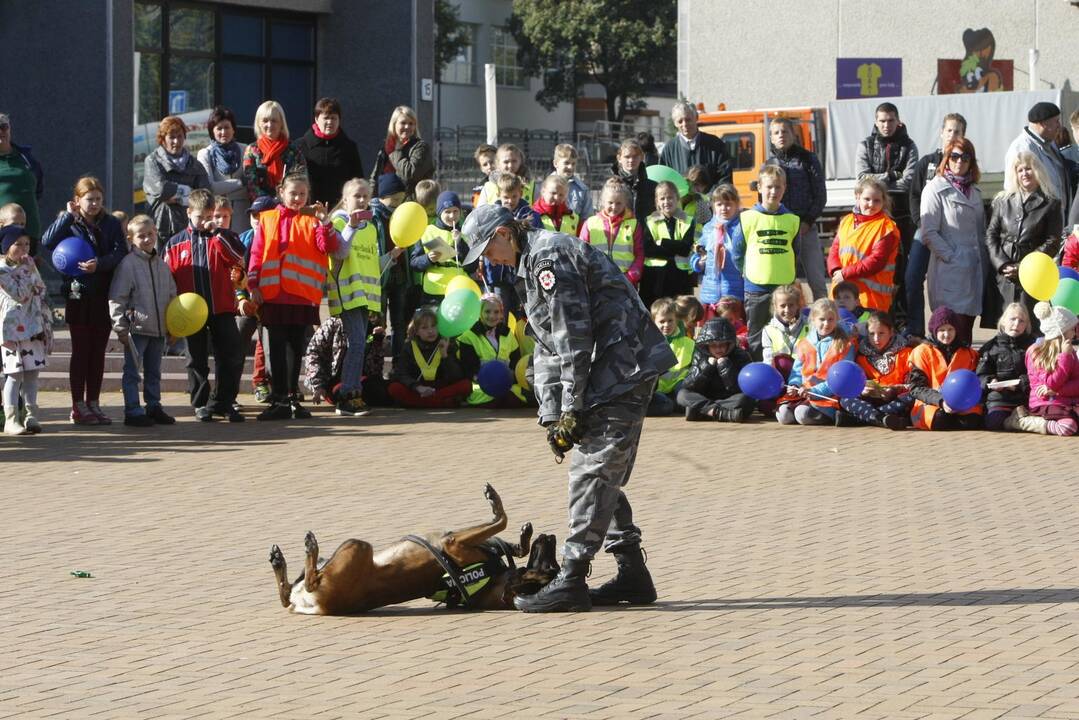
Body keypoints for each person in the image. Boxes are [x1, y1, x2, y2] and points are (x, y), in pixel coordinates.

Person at [459, 203, 675, 613]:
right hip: (608, 371)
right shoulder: (528, 264)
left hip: (623, 366)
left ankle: (573, 576)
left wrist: (572, 410)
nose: (488, 260)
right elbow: (545, 346)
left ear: (505, 233)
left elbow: (573, 339)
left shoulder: (549, 256)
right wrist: (552, 416)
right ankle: (631, 571)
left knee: (593, 469)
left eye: (488, 249)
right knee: (601, 468)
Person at [247, 173, 337, 420]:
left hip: (301, 295)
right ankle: (279, 399)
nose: (297, 198)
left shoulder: (313, 221)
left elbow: (326, 246)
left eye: (302, 194)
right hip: (274, 295)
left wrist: (325, 222)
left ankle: (292, 397)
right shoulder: (267, 219)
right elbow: (256, 254)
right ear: (281, 192)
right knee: (275, 349)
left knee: (296, 348)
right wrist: (253, 283)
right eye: (293, 193)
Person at [42, 176, 128, 425]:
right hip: (77, 293)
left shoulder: (111, 223)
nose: (94, 204)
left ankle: (94, 403)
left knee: (98, 352)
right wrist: (66, 216)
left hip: (103, 291)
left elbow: (119, 252)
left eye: (98, 199)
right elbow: (47, 241)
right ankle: (77, 405)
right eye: (89, 200)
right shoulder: (70, 222)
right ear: (77, 201)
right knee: (81, 351)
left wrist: (99, 264)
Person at [165, 190, 247, 422]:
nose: (206, 221)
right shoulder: (174, 244)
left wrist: (218, 234)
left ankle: (224, 401)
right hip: (189, 314)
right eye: (200, 217)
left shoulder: (223, 237)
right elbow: (168, 280)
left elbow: (238, 258)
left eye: (210, 216)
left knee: (230, 355)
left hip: (221, 308)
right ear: (189, 213)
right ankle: (200, 403)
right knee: (195, 359)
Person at [327, 178, 389, 417]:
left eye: (366, 196)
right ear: (345, 199)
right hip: (348, 293)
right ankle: (347, 395)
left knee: (359, 344)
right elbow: (339, 251)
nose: (362, 201)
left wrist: (392, 256)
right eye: (357, 196)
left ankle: (353, 392)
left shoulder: (371, 227)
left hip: (365, 296)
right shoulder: (339, 221)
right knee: (356, 344)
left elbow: (371, 264)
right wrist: (350, 226)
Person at [108, 215, 177, 427]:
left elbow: (172, 295)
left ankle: (154, 406)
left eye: (150, 234)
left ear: (156, 233)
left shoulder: (162, 265)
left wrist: (173, 326)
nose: (147, 239)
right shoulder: (128, 265)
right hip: (137, 328)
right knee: (132, 372)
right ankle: (133, 409)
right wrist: (120, 326)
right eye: (141, 236)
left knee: (154, 371)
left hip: (158, 329)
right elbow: (117, 296)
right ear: (131, 238)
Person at [985, 151, 1063, 329]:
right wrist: (1003, 264)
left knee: (1029, 327)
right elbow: (991, 235)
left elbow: (1052, 242)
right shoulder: (1002, 201)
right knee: (1005, 327)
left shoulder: (1051, 203)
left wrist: (1024, 268)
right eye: (1020, 170)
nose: (1024, 174)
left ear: (1037, 171)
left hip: (1033, 277)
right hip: (1004, 276)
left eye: (1028, 169)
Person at [856, 102, 919, 320]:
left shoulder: (909, 146)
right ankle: (871, 316)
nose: (886, 125)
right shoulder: (865, 145)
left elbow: (908, 181)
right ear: (876, 121)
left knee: (901, 270)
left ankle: (900, 319)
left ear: (897, 120)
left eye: (891, 120)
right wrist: (892, 175)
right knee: (872, 264)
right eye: (882, 120)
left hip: (902, 217)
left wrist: (878, 179)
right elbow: (862, 179)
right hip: (871, 219)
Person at [920, 137, 985, 346]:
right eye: (954, 156)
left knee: (966, 332)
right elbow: (929, 232)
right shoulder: (934, 189)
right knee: (949, 333)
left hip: (973, 272)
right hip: (949, 271)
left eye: (965, 157)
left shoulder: (975, 192)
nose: (959, 162)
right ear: (946, 159)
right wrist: (952, 256)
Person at [907, 113, 967, 337]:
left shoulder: (964, 162)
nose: (953, 135)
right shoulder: (927, 162)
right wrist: (922, 224)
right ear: (942, 132)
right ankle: (915, 330)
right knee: (912, 278)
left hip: (951, 234)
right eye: (949, 130)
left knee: (948, 285)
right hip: (925, 230)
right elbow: (914, 195)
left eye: (958, 131)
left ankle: (948, 333)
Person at [737, 165, 800, 357]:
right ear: (759, 188)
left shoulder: (792, 219)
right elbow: (737, 252)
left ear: (785, 188)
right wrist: (745, 271)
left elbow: (795, 251)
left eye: (778, 187)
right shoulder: (747, 218)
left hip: (783, 287)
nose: (773, 191)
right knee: (756, 332)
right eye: (769, 187)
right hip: (756, 287)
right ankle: (757, 371)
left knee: (786, 331)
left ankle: (787, 371)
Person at [765, 117, 828, 301]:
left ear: (793, 134)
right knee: (784, 283)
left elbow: (820, 195)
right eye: (776, 132)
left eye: (785, 131)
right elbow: (765, 199)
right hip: (781, 231)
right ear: (771, 137)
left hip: (806, 228)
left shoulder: (808, 159)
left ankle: (823, 321)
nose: (781, 135)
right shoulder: (768, 164)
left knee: (817, 280)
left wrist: (807, 221)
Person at [0, 225, 49, 435]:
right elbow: (19, 293)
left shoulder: (29, 265)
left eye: (26, 244)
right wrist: (27, 272)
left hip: (33, 327)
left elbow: (40, 288)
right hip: (11, 330)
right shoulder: (2, 270)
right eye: (17, 244)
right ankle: (11, 419)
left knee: (32, 373)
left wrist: (31, 274)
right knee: (14, 374)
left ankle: (32, 416)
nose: (23, 248)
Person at [778, 298, 857, 426]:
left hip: (828, 395)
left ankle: (832, 416)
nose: (826, 324)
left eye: (830, 319)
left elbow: (842, 379)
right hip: (804, 392)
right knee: (783, 416)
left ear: (836, 319)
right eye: (822, 319)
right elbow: (797, 371)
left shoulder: (845, 344)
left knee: (801, 414)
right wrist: (794, 385)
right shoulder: (804, 343)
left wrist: (816, 391)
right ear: (813, 319)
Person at [827, 177, 899, 313]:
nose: (871, 204)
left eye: (877, 200)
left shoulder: (886, 227)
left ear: (883, 202)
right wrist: (835, 270)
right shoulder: (846, 221)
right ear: (858, 196)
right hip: (841, 294)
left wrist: (845, 273)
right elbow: (834, 249)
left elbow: (877, 261)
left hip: (870, 300)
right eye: (867, 199)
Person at [908, 306, 983, 431]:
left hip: (963, 403)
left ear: (957, 330)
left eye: (950, 329)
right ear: (934, 331)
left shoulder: (969, 353)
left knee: (973, 420)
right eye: (942, 330)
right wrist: (941, 401)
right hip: (932, 402)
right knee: (940, 419)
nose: (946, 334)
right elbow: (916, 388)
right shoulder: (922, 351)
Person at [836, 311, 911, 430]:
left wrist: (893, 390)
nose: (876, 339)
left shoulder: (906, 353)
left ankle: (863, 418)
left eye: (881, 333)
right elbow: (856, 384)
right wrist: (862, 390)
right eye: (872, 334)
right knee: (845, 399)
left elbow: (912, 384)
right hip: (870, 400)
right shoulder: (861, 355)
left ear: (891, 332)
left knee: (911, 397)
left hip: (894, 399)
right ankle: (881, 419)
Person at [143, 116, 211, 247]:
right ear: (163, 139)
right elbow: (161, 190)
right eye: (171, 137)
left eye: (180, 136)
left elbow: (205, 195)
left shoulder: (194, 164)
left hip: (189, 225)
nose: (176, 141)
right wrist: (188, 191)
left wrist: (177, 197)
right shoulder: (152, 161)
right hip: (160, 224)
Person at [387, 306, 471, 408]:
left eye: (433, 326)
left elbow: (456, 376)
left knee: (466, 385)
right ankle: (438, 402)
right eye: (424, 328)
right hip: (419, 388)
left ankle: (421, 403)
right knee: (394, 388)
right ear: (416, 331)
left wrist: (445, 354)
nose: (431, 331)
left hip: (440, 388)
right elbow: (401, 373)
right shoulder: (409, 346)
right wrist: (417, 387)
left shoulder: (446, 343)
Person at [371, 173, 416, 362]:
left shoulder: (402, 213)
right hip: (381, 275)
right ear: (382, 197)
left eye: (401, 199)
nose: (398, 203)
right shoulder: (374, 216)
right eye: (394, 199)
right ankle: (375, 362)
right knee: (378, 323)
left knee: (399, 323)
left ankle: (399, 362)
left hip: (400, 276)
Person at [676, 316, 754, 423]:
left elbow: (741, 388)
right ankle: (720, 413)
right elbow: (689, 385)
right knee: (682, 394)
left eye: (722, 345)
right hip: (706, 397)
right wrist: (707, 367)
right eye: (713, 345)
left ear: (729, 344)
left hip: (729, 399)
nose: (718, 349)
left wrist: (725, 368)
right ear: (707, 345)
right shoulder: (700, 355)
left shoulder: (741, 355)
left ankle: (703, 412)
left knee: (745, 399)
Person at [236, 195, 276, 403]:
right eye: (253, 215)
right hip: (247, 302)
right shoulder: (243, 239)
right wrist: (242, 298)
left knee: (265, 344)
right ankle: (229, 392)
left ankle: (262, 383)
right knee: (237, 344)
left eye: (261, 215)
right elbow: (235, 273)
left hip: (271, 301)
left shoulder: (280, 239)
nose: (256, 219)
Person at [1005, 102, 1071, 227]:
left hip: (1056, 221)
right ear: (1042, 123)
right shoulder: (1022, 148)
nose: (1059, 126)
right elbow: (1013, 191)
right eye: (1056, 121)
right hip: (1036, 226)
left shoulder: (1050, 144)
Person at [304, 314, 390, 410]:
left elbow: (374, 370)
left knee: (380, 391)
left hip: (359, 380)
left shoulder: (369, 331)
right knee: (340, 393)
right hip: (333, 381)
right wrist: (318, 385)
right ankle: (346, 399)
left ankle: (355, 397)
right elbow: (313, 353)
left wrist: (377, 343)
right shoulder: (332, 325)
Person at [1019, 302, 1079, 435]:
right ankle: (1024, 421)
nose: (1074, 333)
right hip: (1045, 403)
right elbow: (1051, 382)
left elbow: (1076, 382)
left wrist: (1057, 391)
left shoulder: (1070, 352)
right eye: (1071, 329)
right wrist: (1065, 356)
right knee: (1068, 427)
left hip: (1067, 400)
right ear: (1060, 332)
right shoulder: (1037, 352)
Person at [457, 293, 527, 408]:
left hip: (507, 384)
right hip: (482, 387)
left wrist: (511, 377)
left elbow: (516, 362)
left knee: (520, 396)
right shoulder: (468, 336)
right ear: (480, 312)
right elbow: (468, 369)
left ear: (501, 314)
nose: (492, 316)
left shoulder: (508, 333)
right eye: (487, 312)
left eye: (496, 312)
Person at [294, 97, 364, 207]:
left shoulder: (349, 147)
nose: (330, 122)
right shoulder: (300, 146)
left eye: (334, 118)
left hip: (340, 210)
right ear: (316, 119)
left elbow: (357, 180)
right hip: (308, 208)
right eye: (326, 118)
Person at [977, 302, 1034, 431]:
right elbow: (980, 374)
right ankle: (1016, 421)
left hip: (1024, 397)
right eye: (1012, 319)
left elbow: (1038, 374)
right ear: (1003, 322)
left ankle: (1019, 419)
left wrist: (1021, 383)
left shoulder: (1032, 346)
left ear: (1027, 326)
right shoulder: (991, 347)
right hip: (999, 398)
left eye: (1021, 321)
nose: (1016, 324)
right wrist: (991, 381)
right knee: (993, 423)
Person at [579, 179, 644, 289]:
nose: (614, 207)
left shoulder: (634, 224)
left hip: (626, 283)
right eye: (610, 203)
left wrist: (630, 277)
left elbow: (639, 254)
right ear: (603, 201)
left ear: (625, 203)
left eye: (619, 203)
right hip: (597, 282)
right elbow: (581, 253)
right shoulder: (590, 223)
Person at [641, 180, 694, 307]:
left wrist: (662, 242)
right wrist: (675, 248)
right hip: (655, 277)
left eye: (670, 197)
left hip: (680, 277)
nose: (666, 202)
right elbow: (648, 249)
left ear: (677, 198)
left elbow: (685, 248)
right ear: (657, 201)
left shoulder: (688, 220)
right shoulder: (650, 221)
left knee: (681, 315)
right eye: (662, 198)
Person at [197, 106, 249, 231]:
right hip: (216, 215)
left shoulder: (247, 150)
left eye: (227, 127)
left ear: (233, 129)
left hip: (243, 213)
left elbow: (251, 184)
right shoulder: (205, 154)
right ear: (212, 131)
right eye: (219, 128)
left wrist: (224, 188)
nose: (223, 132)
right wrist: (241, 182)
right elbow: (210, 188)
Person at [243, 101, 306, 202]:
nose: (269, 125)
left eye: (274, 120)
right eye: (265, 120)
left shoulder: (293, 150)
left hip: (290, 206)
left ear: (281, 123)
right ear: (258, 123)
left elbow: (302, 180)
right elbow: (250, 183)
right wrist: (269, 202)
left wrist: (284, 201)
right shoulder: (252, 150)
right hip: (262, 208)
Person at [411, 190, 466, 307]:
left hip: (458, 290)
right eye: (447, 212)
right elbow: (414, 264)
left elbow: (472, 266)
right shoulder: (426, 231)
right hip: (433, 291)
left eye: (456, 211)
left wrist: (460, 244)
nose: (452, 216)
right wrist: (428, 259)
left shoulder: (465, 232)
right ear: (439, 212)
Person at [659, 101, 732, 188]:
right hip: (681, 200)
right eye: (680, 121)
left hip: (711, 200)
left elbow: (725, 179)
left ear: (696, 118)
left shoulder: (716, 144)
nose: (684, 124)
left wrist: (709, 198)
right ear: (675, 123)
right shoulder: (669, 150)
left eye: (688, 119)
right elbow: (664, 182)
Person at [693, 184, 743, 308]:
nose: (723, 208)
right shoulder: (709, 228)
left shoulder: (742, 228)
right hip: (711, 293)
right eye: (719, 204)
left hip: (734, 293)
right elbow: (698, 249)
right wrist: (698, 263)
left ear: (736, 204)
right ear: (713, 206)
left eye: (728, 204)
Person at [368, 105, 434, 199]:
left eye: (411, 123)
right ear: (394, 125)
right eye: (403, 123)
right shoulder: (386, 148)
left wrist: (397, 152)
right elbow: (374, 178)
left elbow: (410, 174)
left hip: (409, 204)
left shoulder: (421, 147)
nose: (407, 127)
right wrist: (371, 200)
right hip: (384, 203)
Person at [0, 113, 43, 250]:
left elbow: (38, 189)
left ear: (9, 129)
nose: (1, 131)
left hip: (29, 235)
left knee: (27, 271)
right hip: (3, 236)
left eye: (4, 127)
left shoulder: (25, 158)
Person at [647, 297, 695, 416]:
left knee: (684, 401)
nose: (666, 325)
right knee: (666, 406)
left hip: (679, 387)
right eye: (662, 321)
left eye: (670, 320)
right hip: (656, 390)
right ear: (653, 321)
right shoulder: (648, 344)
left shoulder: (688, 343)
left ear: (677, 320)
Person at [760, 284, 808, 376]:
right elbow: (768, 356)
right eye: (782, 306)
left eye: (791, 305)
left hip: (804, 372)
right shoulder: (768, 330)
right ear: (775, 306)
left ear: (797, 305)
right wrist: (770, 374)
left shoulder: (809, 325)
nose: (787, 310)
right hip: (780, 374)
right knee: (781, 362)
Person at [610, 139, 657, 222]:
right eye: (627, 157)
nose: (631, 160)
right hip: (620, 232)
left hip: (645, 233)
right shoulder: (611, 186)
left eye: (635, 156)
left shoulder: (652, 187)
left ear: (642, 157)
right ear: (619, 158)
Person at [552, 144, 593, 220]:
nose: (570, 167)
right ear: (555, 163)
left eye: (573, 163)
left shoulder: (582, 190)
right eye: (566, 163)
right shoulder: (544, 187)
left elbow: (587, 219)